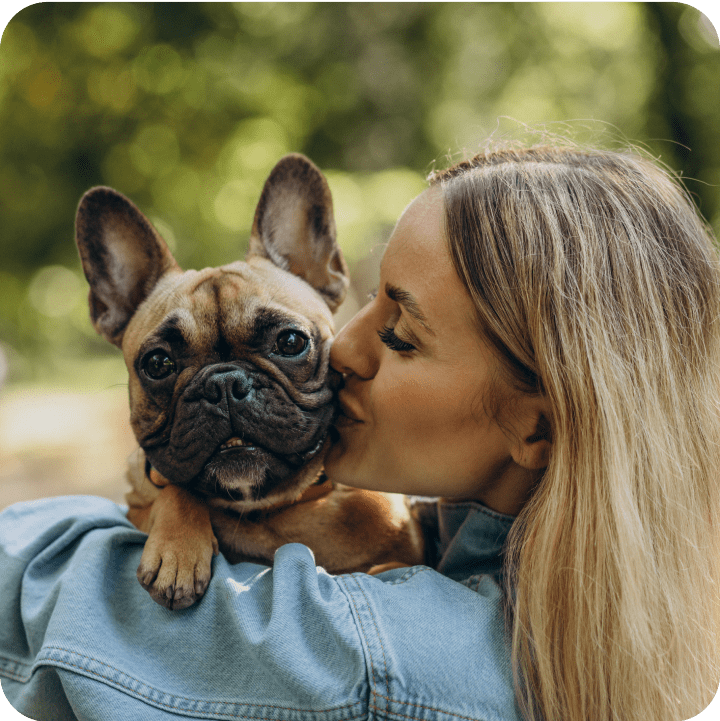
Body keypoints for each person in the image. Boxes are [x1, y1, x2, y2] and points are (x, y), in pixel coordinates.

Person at [1, 143, 719, 721]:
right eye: (368, 299)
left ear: (537, 424)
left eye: (401, 335)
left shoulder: (367, 653)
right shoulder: (598, 584)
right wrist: (175, 496)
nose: (341, 347)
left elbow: (28, 580)